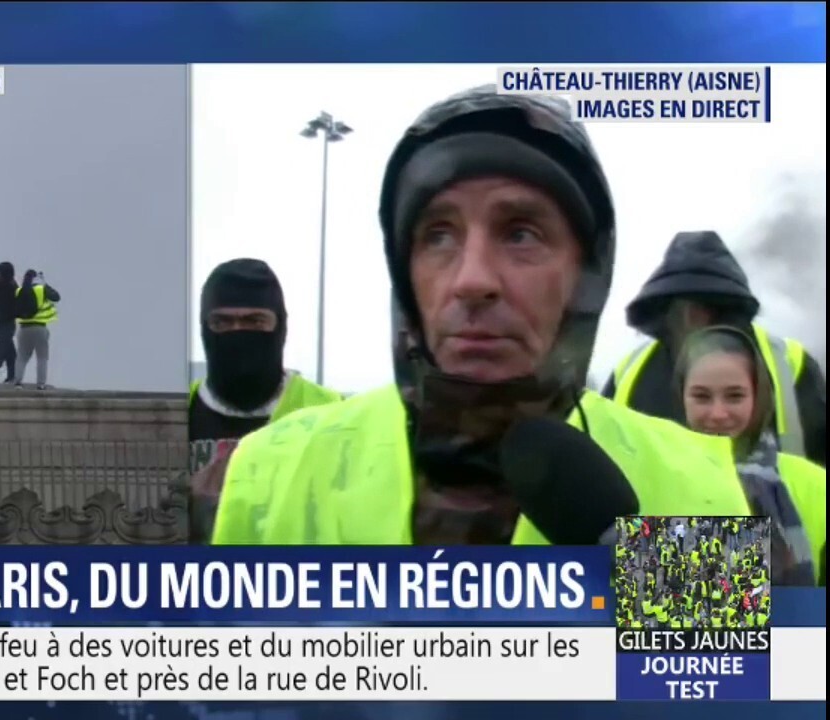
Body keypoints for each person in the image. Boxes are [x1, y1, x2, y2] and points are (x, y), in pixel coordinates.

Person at [210, 86, 752, 547]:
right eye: (438, 235)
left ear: (585, 276)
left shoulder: (694, 482)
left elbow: (705, 675)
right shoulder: (267, 472)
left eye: (521, 233)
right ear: (405, 274)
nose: (472, 280)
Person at [603, 230, 827, 467]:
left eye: (703, 308)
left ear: (728, 309)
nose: (690, 320)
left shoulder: (789, 364)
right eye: (679, 310)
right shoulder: (629, 372)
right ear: (664, 313)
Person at [186, 258, 342, 542]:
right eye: (222, 322)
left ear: (280, 327)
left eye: (254, 321)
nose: (238, 332)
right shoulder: (179, 412)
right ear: (204, 328)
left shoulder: (331, 414)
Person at [677, 325, 826, 586]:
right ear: (682, 398)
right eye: (702, 397)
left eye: (735, 396)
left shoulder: (816, 484)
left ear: (758, 397)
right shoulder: (656, 474)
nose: (718, 413)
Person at [13, 269, 60, 390]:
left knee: (22, 357)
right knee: (42, 357)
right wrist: (45, 283)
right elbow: (56, 297)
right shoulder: (41, 289)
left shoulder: (19, 291)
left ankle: (17, 382)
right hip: (40, 327)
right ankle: (41, 384)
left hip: (24, 328)